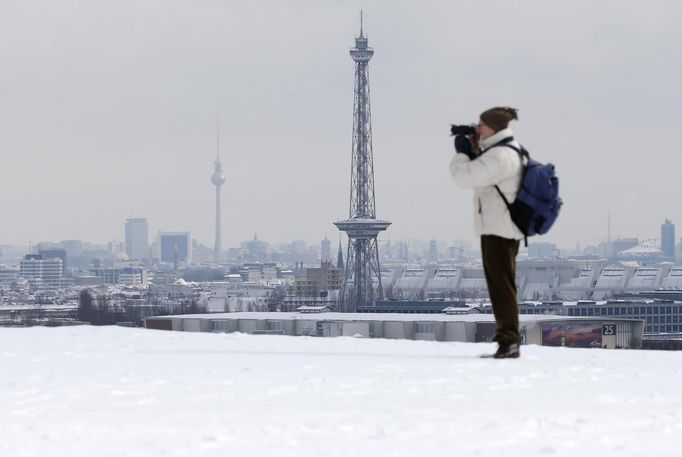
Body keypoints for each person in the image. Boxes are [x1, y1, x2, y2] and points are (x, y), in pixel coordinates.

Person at [449, 107, 525, 359]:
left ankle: (509, 342)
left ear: (493, 128)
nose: (477, 129)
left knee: (501, 287)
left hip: (498, 230)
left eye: (481, 125)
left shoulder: (501, 156)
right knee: (502, 285)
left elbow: (465, 177)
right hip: (500, 227)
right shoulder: (503, 151)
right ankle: (508, 341)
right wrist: (474, 148)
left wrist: (462, 153)